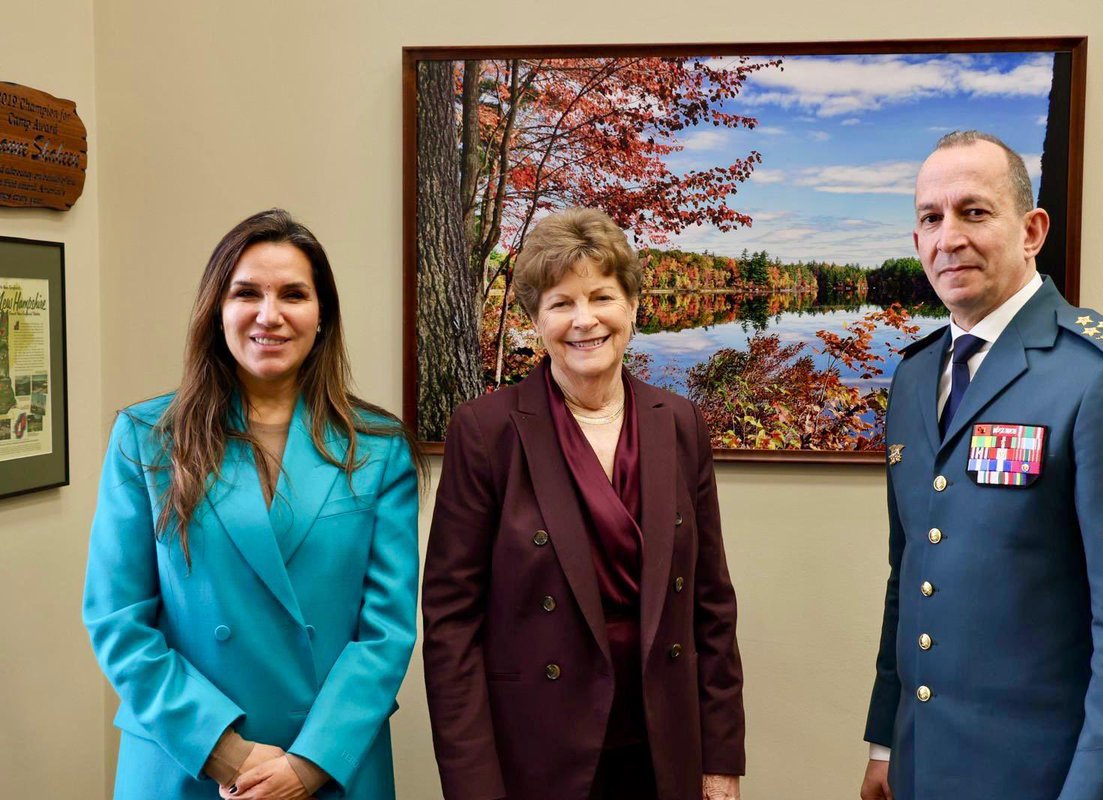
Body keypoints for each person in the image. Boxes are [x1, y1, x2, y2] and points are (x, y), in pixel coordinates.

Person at [861, 131, 1103, 800]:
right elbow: (912, 573)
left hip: (1043, 779)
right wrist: (887, 742)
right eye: (930, 217)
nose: (948, 237)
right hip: (923, 770)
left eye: (974, 212)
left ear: (1031, 230)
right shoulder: (918, 378)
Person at [82, 209, 424, 800]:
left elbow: (385, 633)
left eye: (294, 294)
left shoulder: (379, 448)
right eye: (247, 293)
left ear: (323, 316)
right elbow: (117, 618)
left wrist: (308, 765)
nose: (271, 315)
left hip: (327, 762)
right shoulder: (146, 438)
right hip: (185, 757)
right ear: (217, 311)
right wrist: (225, 753)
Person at [422, 207, 745, 800]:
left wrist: (720, 760)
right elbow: (451, 626)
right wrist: (473, 786)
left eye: (602, 297)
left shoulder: (679, 422)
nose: (584, 320)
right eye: (561, 303)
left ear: (633, 307)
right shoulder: (486, 430)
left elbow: (711, 604)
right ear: (534, 320)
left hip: (662, 747)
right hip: (537, 753)